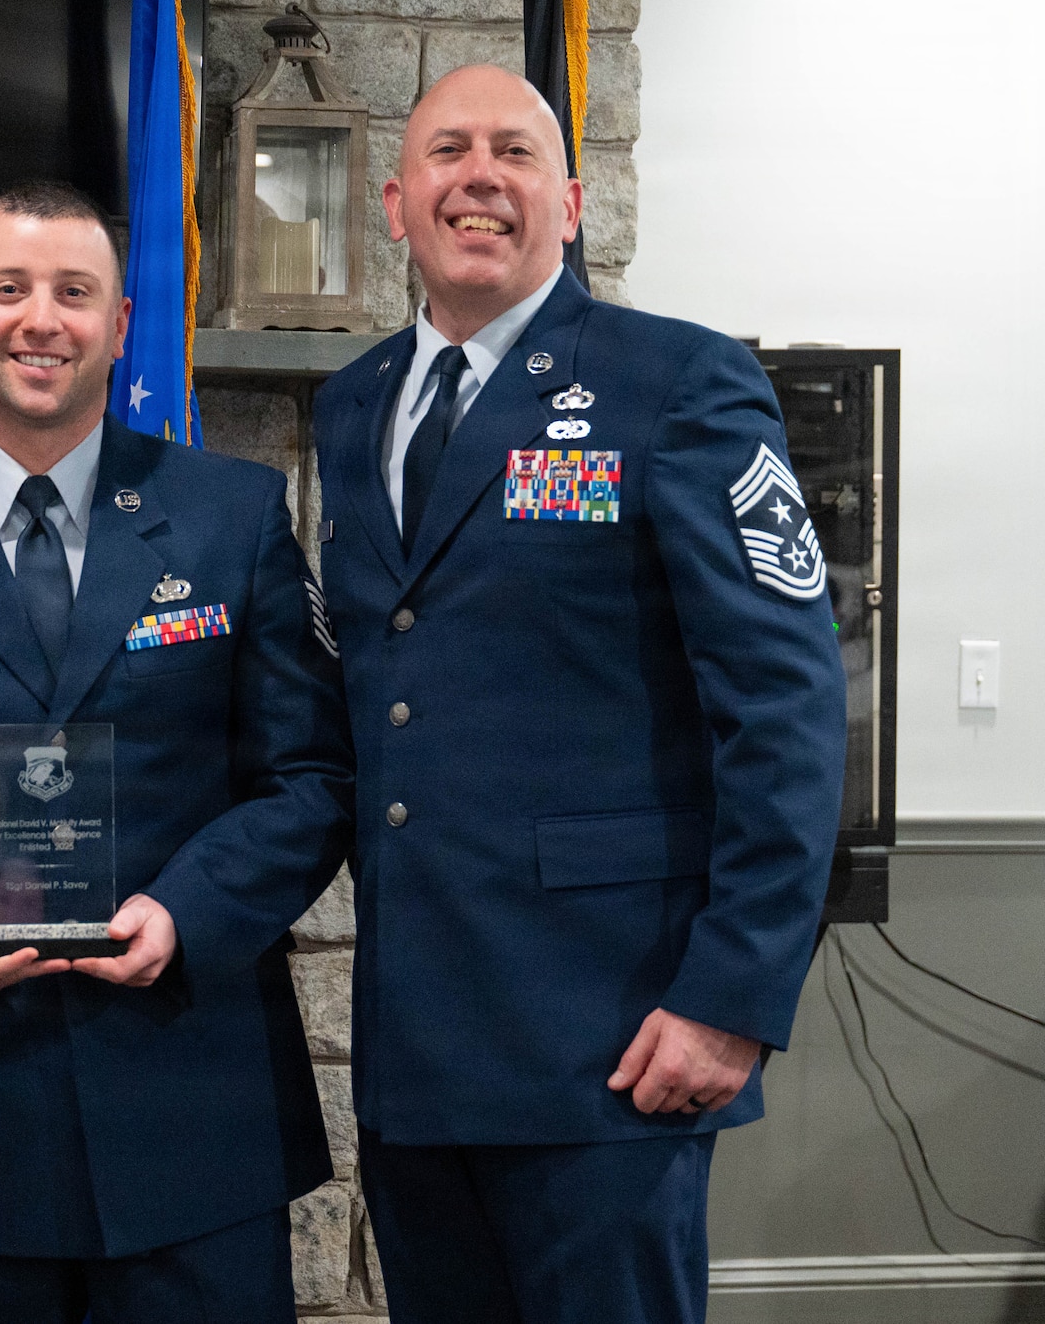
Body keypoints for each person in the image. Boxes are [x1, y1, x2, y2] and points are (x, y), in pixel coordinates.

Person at [309, 65, 847, 1324]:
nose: (478, 176)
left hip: (611, 1040)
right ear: (395, 202)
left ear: (570, 198)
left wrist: (729, 997)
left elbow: (786, 704)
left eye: (510, 151)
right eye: (446, 151)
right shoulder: (348, 407)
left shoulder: (678, 384)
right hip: (418, 1045)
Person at [0, 180, 355, 1322]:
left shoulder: (232, 517)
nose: (41, 319)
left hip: (191, 1114)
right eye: (8, 289)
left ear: (121, 324)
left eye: (74, 292)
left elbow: (311, 778)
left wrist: (185, 910)